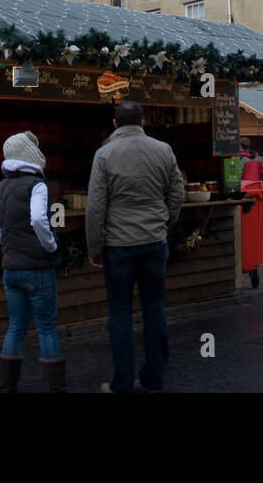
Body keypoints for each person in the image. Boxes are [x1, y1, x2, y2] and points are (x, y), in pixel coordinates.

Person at [86, 100, 184, 394]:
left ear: (115, 124)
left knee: (120, 313)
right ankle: (154, 379)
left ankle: (122, 383)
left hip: (119, 245)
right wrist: (164, 222)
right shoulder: (163, 150)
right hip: (154, 241)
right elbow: (177, 193)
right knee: (155, 310)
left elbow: (95, 208)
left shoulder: (104, 155)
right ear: (143, 122)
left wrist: (95, 246)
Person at [0, 130, 63, 393]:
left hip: (10, 268)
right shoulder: (37, 185)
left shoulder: (2, 186)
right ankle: (55, 388)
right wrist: (51, 245)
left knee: (15, 327)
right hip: (37, 269)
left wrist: (12, 248)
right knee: (45, 328)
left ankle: (8, 386)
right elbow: (38, 219)